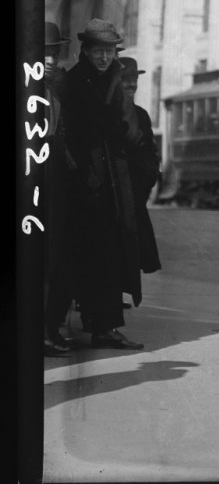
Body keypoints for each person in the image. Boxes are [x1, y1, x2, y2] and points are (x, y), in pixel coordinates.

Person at [59, 19, 144, 350]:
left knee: (109, 255)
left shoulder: (114, 82)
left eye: (110, 52)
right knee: (87, 254)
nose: (104, 58)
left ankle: (104, 325)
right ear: (86, 50)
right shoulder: (73, 82)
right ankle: (88, 323)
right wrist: (81, 174)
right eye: (99, 51)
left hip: (111, 183)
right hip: (82, 180)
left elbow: (129, 128)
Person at [42, 21, 79, 356]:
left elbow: (60, 135)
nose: (51, 59)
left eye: (54, 52)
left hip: (52, 179)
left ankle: (48, 327)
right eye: (44, 53)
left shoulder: (53, 91)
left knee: (55, 259)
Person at [118, 57, 162, 278]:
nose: (131, 84)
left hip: (135, 193)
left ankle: (117, 296)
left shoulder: (141, 115)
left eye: (134, 79)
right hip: (113, 194)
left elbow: (151, 153)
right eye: (125, 79)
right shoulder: (108, 112)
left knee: (131, 250)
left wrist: (148, 177)